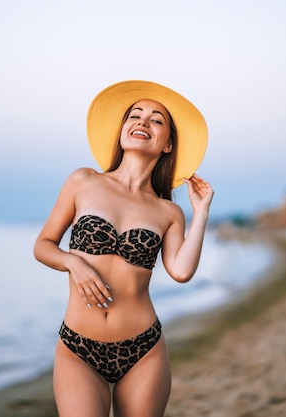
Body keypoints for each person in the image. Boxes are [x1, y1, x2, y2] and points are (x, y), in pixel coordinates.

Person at [34, 80, 213, 417]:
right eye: (135, 115)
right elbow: (43, 246)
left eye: (156, 120)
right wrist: (74, 263)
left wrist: (200, 212)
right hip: (78, 347)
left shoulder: (168, 212)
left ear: (168, 144)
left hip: (143, 348)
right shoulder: (83, 182)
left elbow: (182, 271)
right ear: (122, 131)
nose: (143, 122)